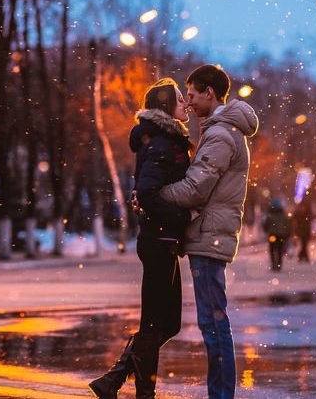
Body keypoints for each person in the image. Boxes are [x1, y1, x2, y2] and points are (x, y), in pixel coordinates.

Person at [159, 64, 259, 399]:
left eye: (191, 94)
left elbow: (196, 188)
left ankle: (220, 396)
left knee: (214, 324)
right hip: (211, 234)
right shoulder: (222, 130)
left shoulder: (219, 134)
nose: (187, 102)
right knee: (213, 322)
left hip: (209, 236)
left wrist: (155, 194)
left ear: (209, 93)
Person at [89, 78, 191, 399]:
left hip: (159, 240)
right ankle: (126, 384)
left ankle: (120, 381)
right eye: (179, 99)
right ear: (165, 107)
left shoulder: (162, 140)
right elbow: (146, 192)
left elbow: (146, 192)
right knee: (155, 324)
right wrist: (182, 217)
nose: (185, 103)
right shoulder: (162, 144)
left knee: (164, 323)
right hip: (159, 240)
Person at [262, 198, 291, 271]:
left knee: (272, 249)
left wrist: (266, 230)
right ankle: (279, 264)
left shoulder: (270, 215)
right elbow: (288, 225)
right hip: (281, 235)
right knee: (280, 250)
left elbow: (266, 225)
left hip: (272, 235)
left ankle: (273, 264)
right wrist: (287, 234)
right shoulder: (283, 215)